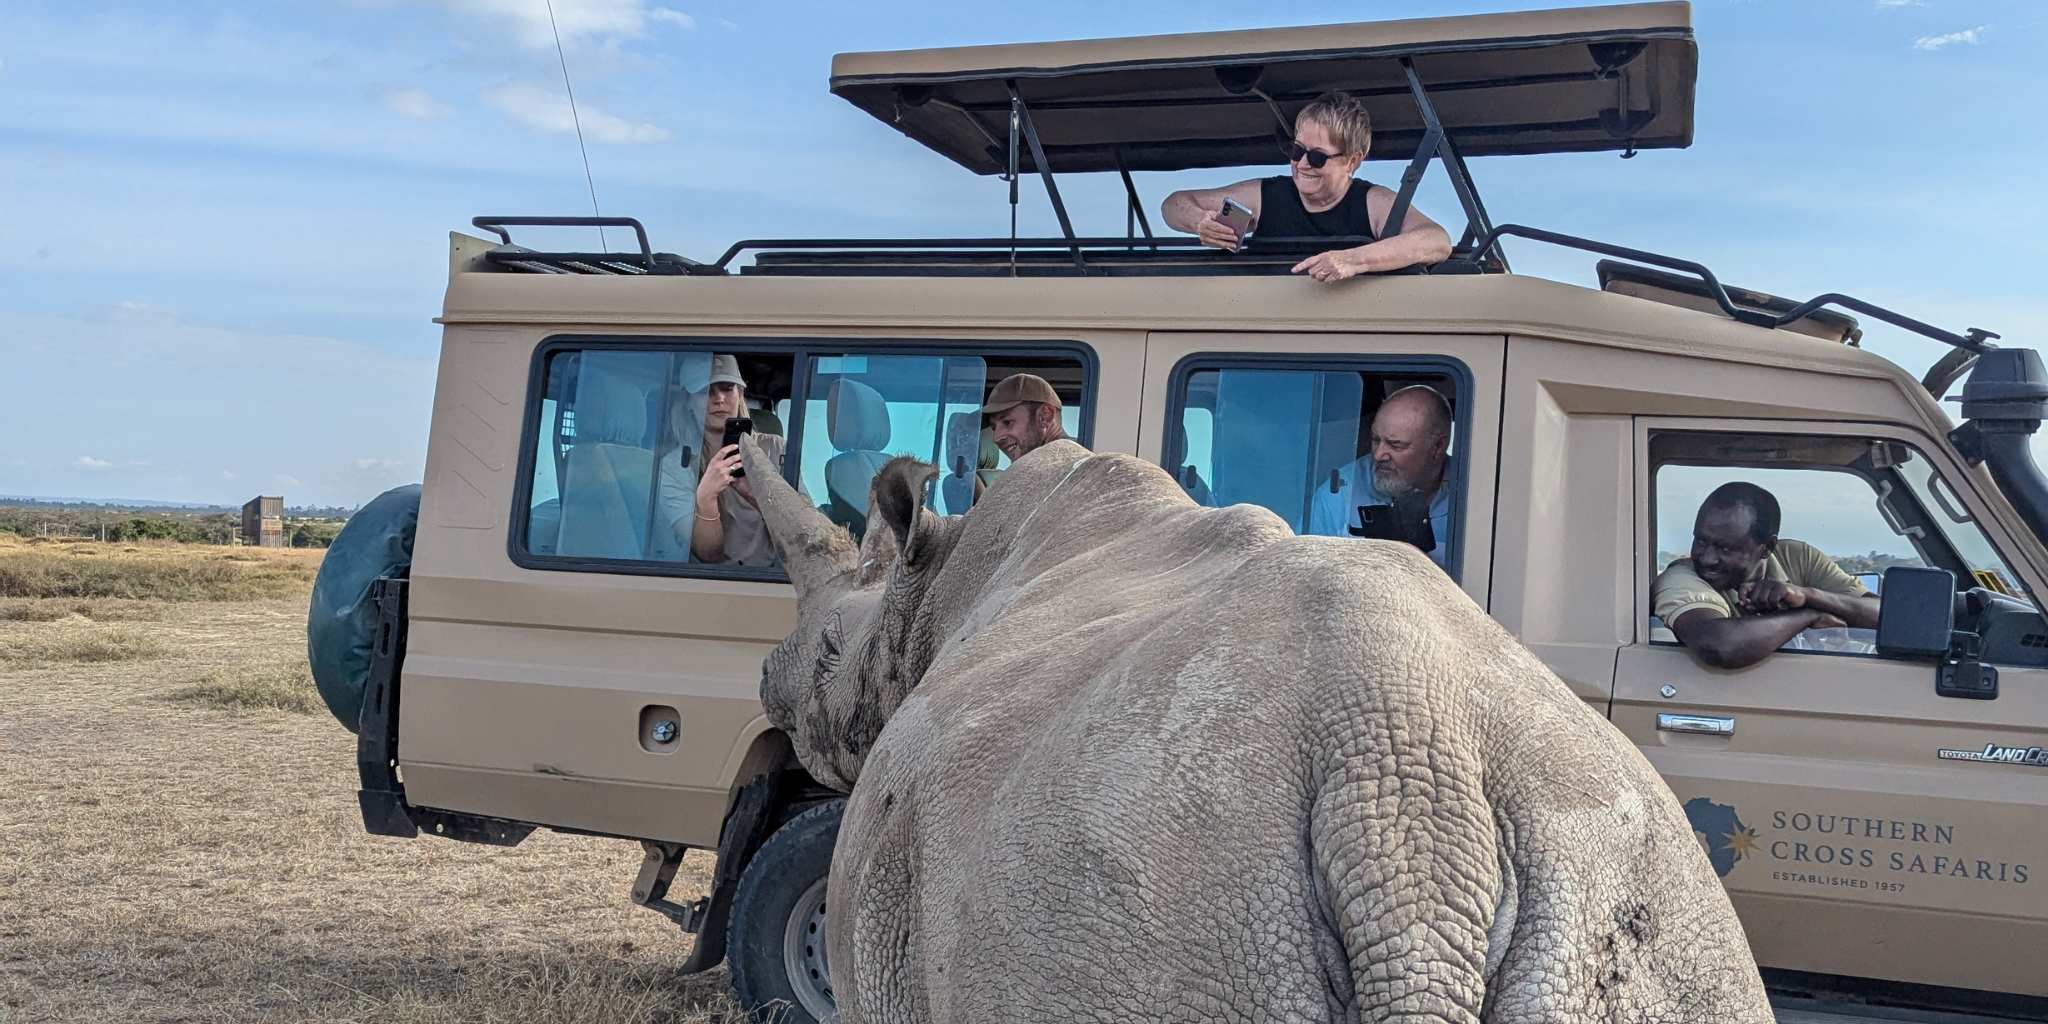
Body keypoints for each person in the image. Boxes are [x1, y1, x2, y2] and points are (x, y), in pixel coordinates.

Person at [1159, 90, 1453, 281]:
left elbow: (1436, 241)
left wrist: (1354, 260)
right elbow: (1173, 204)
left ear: (1352, 161)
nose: (1301, 164)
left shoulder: (1371, 202)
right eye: (1297, 151)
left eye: (1317, 157)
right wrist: (1201, 222)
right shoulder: (1265, 197)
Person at [1654, 482, 1881, 670]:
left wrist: (1808, 595)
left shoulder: (1798, 557)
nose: (1707, 558)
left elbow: (1885, 617)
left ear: (1767, 548)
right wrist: (1808, 617)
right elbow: (1720, 645)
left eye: (1725, 549)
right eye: (1701, 541)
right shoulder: (1682, 576)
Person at [655, 353, 801, 566]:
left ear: (740, 394)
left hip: (776, 576)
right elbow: (708, 555)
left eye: (727, 388)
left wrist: (755, 495)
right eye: (705, 391)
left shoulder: (776, 449)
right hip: (719, 584)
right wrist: (706, 497)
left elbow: (803, 531)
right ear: (688, 402)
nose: (719, 399)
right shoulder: (675, 467)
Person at [1307, 385, 1453, 566]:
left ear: (1437, 447)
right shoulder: (1340, 491)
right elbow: (1304, 570)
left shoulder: (1472, 500)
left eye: (1396, 445)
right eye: (1376, 440)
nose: (1378, 455)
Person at [982, 373, 1069, 460]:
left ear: (1045, 416)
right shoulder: (1040, 464)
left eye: (1007, 422)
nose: (996, 438)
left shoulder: (1071, 462)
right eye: (993, 428)